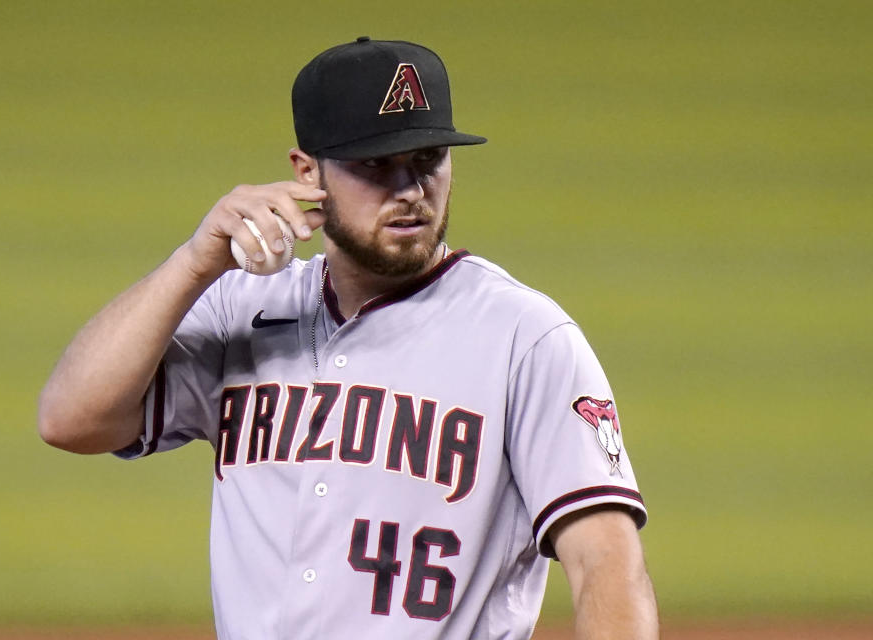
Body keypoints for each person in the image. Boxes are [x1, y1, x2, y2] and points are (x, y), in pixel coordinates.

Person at [39, 37, 658, 640]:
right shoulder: (241, 307)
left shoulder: (523, 337)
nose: (410, 189)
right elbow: (72, 420)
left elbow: (604, 557)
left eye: (427, 159)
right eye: (375, 166)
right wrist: (195, 262)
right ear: (308, 172)